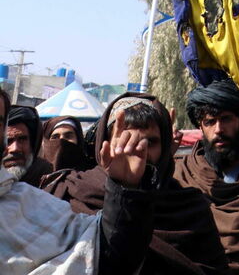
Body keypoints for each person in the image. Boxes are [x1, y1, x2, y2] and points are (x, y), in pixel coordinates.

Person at [43, 91, 229, 275]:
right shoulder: (69, 192)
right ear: (105, 144)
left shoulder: (190, 207)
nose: (139, 152)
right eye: (127, 141)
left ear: (164, 147)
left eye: (151, 142)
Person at [0, 113, 155, 274]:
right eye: (55, 137)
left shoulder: (36, 201)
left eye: (22, 139)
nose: (15, 148)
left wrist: (126, 188)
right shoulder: (47, 185)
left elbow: (104, 251)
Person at [175, 78, 239, 273]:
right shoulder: (181, 173)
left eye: (226, 119)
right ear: (201, 126)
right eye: (210, 122)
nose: (218, 130)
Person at [4, 105, 54, 187]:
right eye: (8, 141)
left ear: (33, 144)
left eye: (22, 139)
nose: (15, 148)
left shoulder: (49, 180)